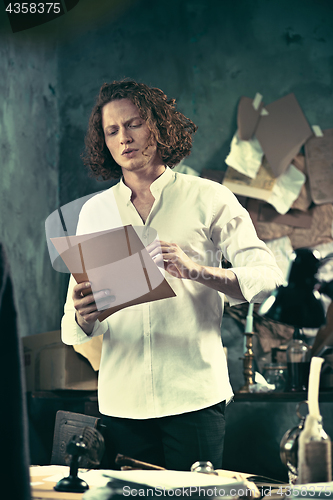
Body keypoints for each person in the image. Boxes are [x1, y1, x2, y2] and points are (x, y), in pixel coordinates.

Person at [61, 80, 283, 471]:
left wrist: (197, 271)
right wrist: (83, 314)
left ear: (159, 127)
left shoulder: (208, 198)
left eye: (134, 124)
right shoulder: (94, 213)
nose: (124, 138)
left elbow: (266, 277)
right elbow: (74, 326)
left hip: (194, 397)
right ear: (105, 143)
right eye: (112, 131)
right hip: (121, 402)